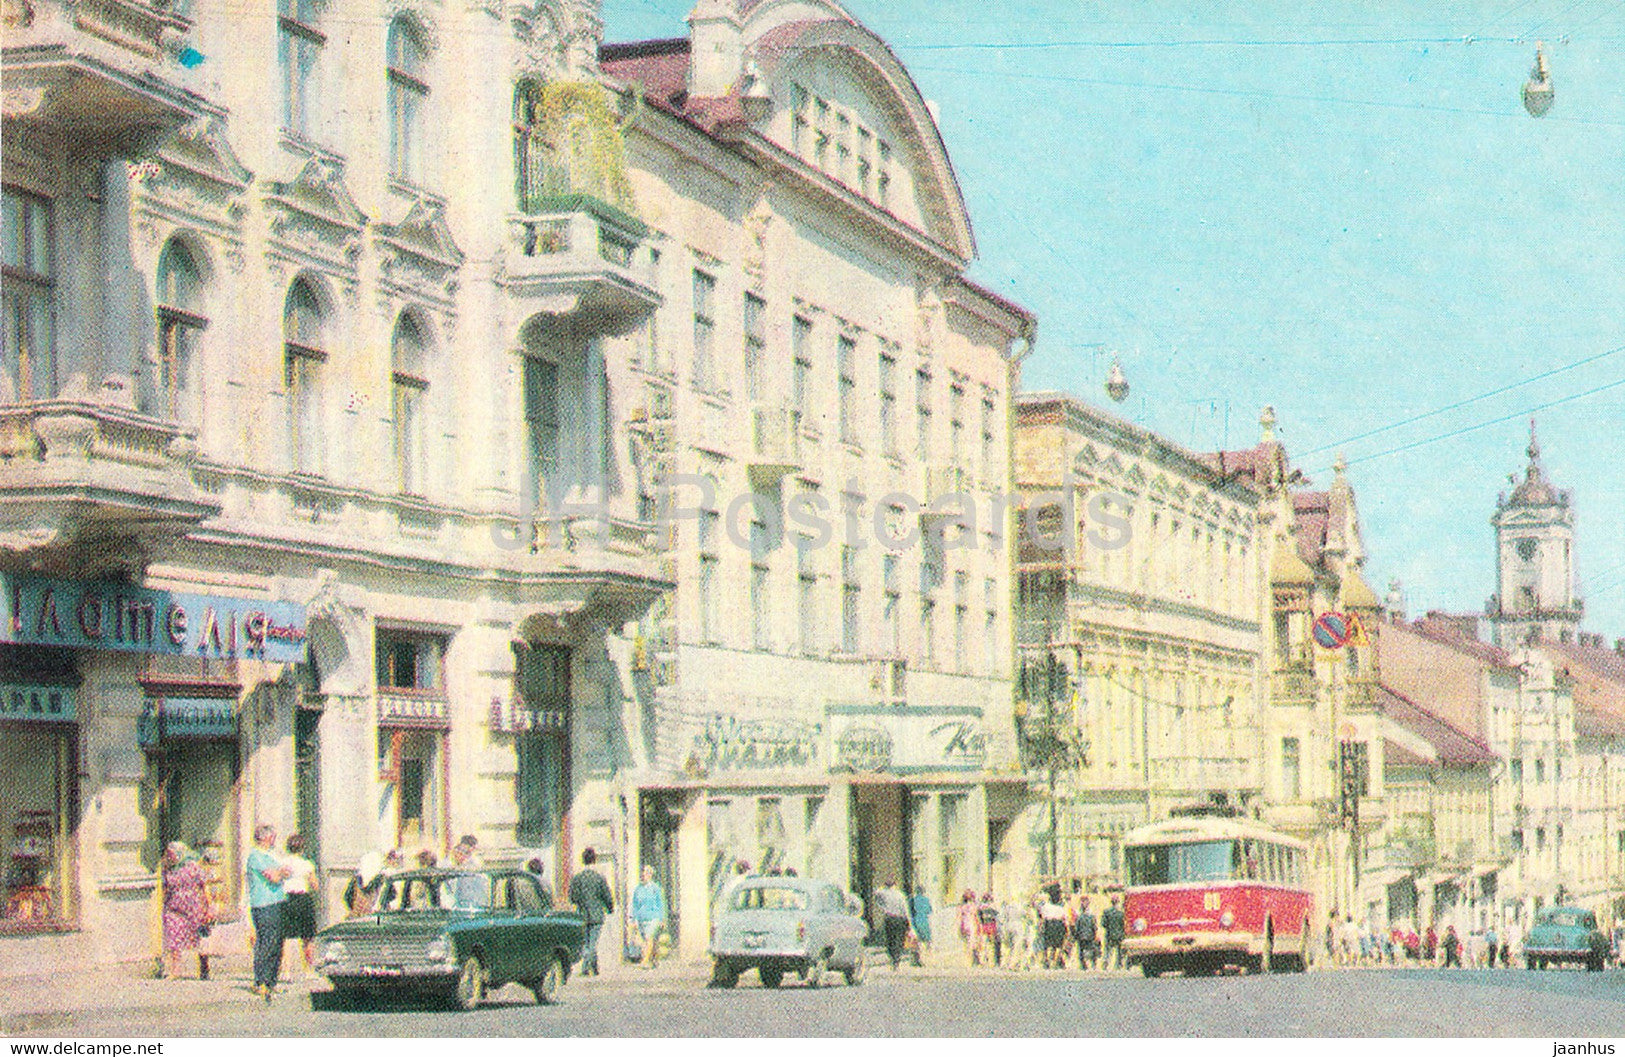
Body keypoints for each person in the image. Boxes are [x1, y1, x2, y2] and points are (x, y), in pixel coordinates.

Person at [246, 823, 291, 1001]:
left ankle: (272, 981)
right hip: (263, 904)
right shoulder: (255, 856)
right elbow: (273, 877)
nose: (274, 840)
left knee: (277, 943)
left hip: (278, 901)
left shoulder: (272, 856)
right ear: (264, 837)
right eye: (272, 836)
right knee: (266, 942)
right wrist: (280, 872)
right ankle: (260, 982)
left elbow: (285, 872)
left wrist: (280, 872)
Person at [160, 842, 211, 980]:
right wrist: (163, 904)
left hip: (194, 907)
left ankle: (203, 965)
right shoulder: (167, 869)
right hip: (173, 907)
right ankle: (175, 971)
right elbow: (165, 888)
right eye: (169, 854)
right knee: (173, 937)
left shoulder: (193, 867)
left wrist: (208, 907)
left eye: (173, 854)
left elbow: (204, 886)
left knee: (198, 937)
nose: (171, 857)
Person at [568, 847, 614, 976]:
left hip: (582, 914)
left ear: (583, 860)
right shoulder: (599, 877)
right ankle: (585, 968)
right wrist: (610, 908)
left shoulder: (577, 878)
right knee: (592, 944)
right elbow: (606, 895)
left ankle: (594, 968)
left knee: (585, 942)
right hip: (597, 915)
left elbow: (572, 897)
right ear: (594, 860)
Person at [280, 834, 319, 976]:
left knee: (284, 937)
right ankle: (309, 969)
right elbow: (315, 885)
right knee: (307, 936)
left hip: (286, 898)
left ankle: (286, 970)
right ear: (302, 848)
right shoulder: (307, 864)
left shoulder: (282, 863)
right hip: (303, 898)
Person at [630, 864, 668, 968]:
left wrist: (662, 918)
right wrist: (633, 920)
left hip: (653, 917)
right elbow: (635, 905)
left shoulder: (655, 888)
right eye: (642, 874)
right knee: (648, 940)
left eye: (646, 873)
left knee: (648, 938)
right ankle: (653, 959)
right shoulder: (638, 889)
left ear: (650, 875)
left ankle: (644, 961)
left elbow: (660, 904)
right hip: (642, 918)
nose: (643, 876)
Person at [876, 878, 911, 970]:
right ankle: (897, 959)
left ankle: (892, 957)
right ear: (895, 885)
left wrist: (882, 908)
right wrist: (909, 921)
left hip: (889, 918)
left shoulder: (884, 894)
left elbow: (876, 894)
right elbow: (905, 909)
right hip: (900, 919)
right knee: (899, 939)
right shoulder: (900, 895)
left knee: (890, 939)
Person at [344, 852, 386, 917]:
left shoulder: (356, 880)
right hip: (369, 917)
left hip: (356, 916)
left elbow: (347, 896)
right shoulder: (381, 880)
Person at [1041, 885, 1068, 969]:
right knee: (1058, 946)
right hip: (1059, 924)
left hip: (1049, 924)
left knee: (1049, 945)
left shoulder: (1046, 906)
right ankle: (1055, 963)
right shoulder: (1061, 906)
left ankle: (1049, 961)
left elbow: (1043, 917)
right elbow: (1065, 917)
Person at [1101, 894, 1126, 971]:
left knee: (1108, 951)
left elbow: (1103, 923)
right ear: (1118, 902)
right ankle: (1118, 965)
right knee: (1119, 952)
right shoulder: (1121, 913)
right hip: (1119, 934)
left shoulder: (1106, 912)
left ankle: (1105, 964)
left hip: (1109, 934)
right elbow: (1124, 924)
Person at [1073, 895, 1098, 970]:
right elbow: (1094, 926)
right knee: (1087, 949)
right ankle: (1089, 964)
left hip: (1084, 935)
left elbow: (1077, 926)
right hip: (1087, 934)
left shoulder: (1081, 914)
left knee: (1084, 950)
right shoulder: (1090, 914)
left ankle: (1086, 964)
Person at [909, 885, 934, 960]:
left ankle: (917, 956)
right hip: (924, 920)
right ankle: (928, 955)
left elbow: (909, 912)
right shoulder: (926, 900)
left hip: (915, 920)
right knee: (927, 939)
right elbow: (929, 911)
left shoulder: (912, 900)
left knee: (916, 939)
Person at [977, 892, 1001, 967]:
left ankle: (983, 961)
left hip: (984, 927)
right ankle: (991, 962)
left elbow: (979, 919)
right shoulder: (992, 907)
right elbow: (997, 917)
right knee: (991, 945)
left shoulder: (980, 908)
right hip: (992, 926)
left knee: (984, 944)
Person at [957, 889, 979, 966]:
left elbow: (959, 917)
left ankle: (967, 960)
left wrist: (959, 927)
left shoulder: (962, 907)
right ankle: (972, 960)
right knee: (972, 943)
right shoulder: (973, 906)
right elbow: (975, 916)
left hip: (964, 925)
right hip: (972, 924)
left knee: (966, 943)